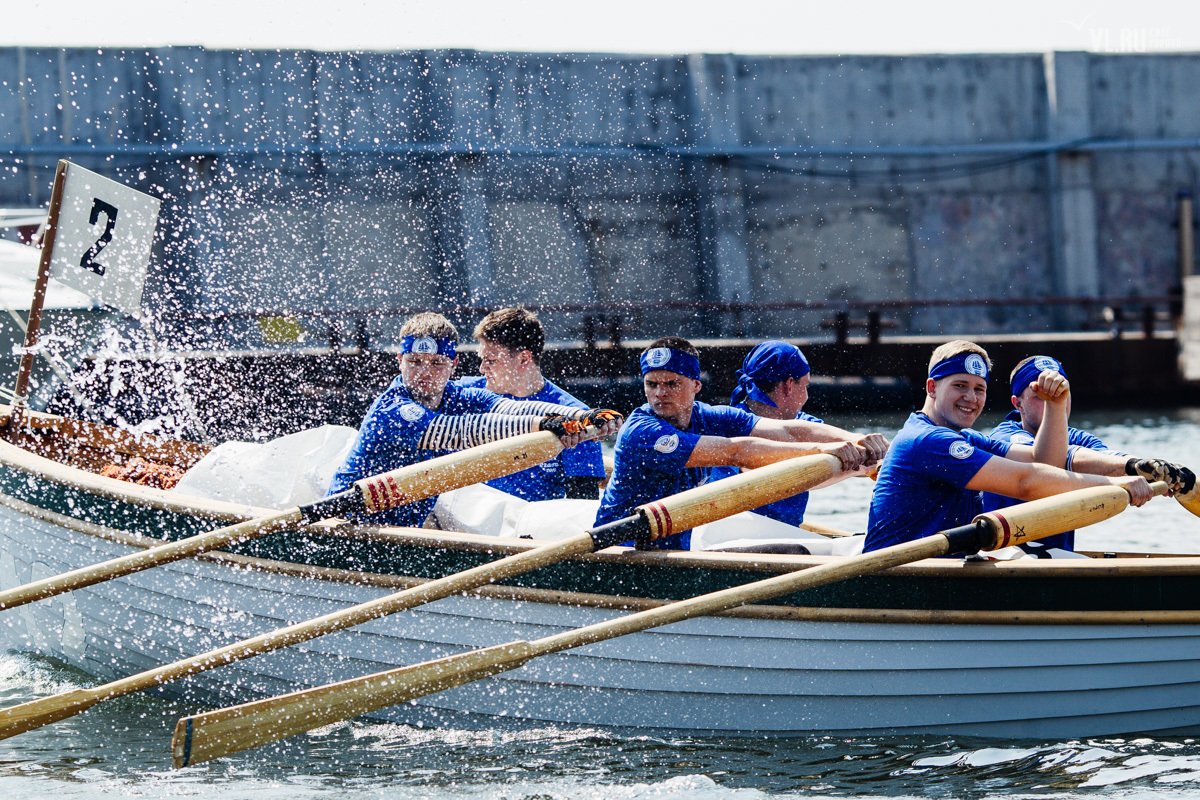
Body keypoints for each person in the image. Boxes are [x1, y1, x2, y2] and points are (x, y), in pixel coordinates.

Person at [864, 340, 1160, 555]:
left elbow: (1044, 461)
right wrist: (1118, 485)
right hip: (901, 575)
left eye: (979, 389)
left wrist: (1056, 404)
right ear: (931, 388)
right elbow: (1026, 481)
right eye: (960, 385)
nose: (971, 397)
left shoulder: (966, 439)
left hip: (938, 567)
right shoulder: (930, 441)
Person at [327, 312, 622, 527]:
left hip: (428, 526)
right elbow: (463, 431)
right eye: (414, 362)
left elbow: (508, 408)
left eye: (436, 364)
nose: (424, 373)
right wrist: (544, 426)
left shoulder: (457, 396)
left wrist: (584, 418)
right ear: (399, 361)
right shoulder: (393, 409)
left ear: (453, 365)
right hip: (351, 523)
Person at [594, 336, 889, 550]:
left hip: (671, 549)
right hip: (623, 551)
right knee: (792, 552)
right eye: (652, 384)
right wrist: (822, 451)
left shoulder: (708, 415)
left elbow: (788, 430)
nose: (659, 393)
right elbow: (738, 451)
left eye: (672, 384)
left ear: (696, 385)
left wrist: (855, 439)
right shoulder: (643, 432)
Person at [984, 354, 1197, 553]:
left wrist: (1153, 471)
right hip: (1004, 555)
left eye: (1061, 392)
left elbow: (1111, 463)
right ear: (1017, 403)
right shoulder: (1004, 438)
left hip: (1055, 557)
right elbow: (1053, 463)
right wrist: (1131, 468)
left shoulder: (1078, 437)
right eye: (1041, 396)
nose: (1055, 401)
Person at [457, 307, 607, 500]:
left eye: (490, 360)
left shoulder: (575, 415)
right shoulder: (464, 394)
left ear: (524, 358)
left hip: (531, 522)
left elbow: (581, 503)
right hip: (470, 518)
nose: (481, 368)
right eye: (482, 359)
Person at [710, 340, 845, 527]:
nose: (806, 395)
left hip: (783, 537)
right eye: (805, 386)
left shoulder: (806, 424)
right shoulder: (729, 423)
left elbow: (849, 448)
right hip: (729, 533)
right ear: (789, 385)